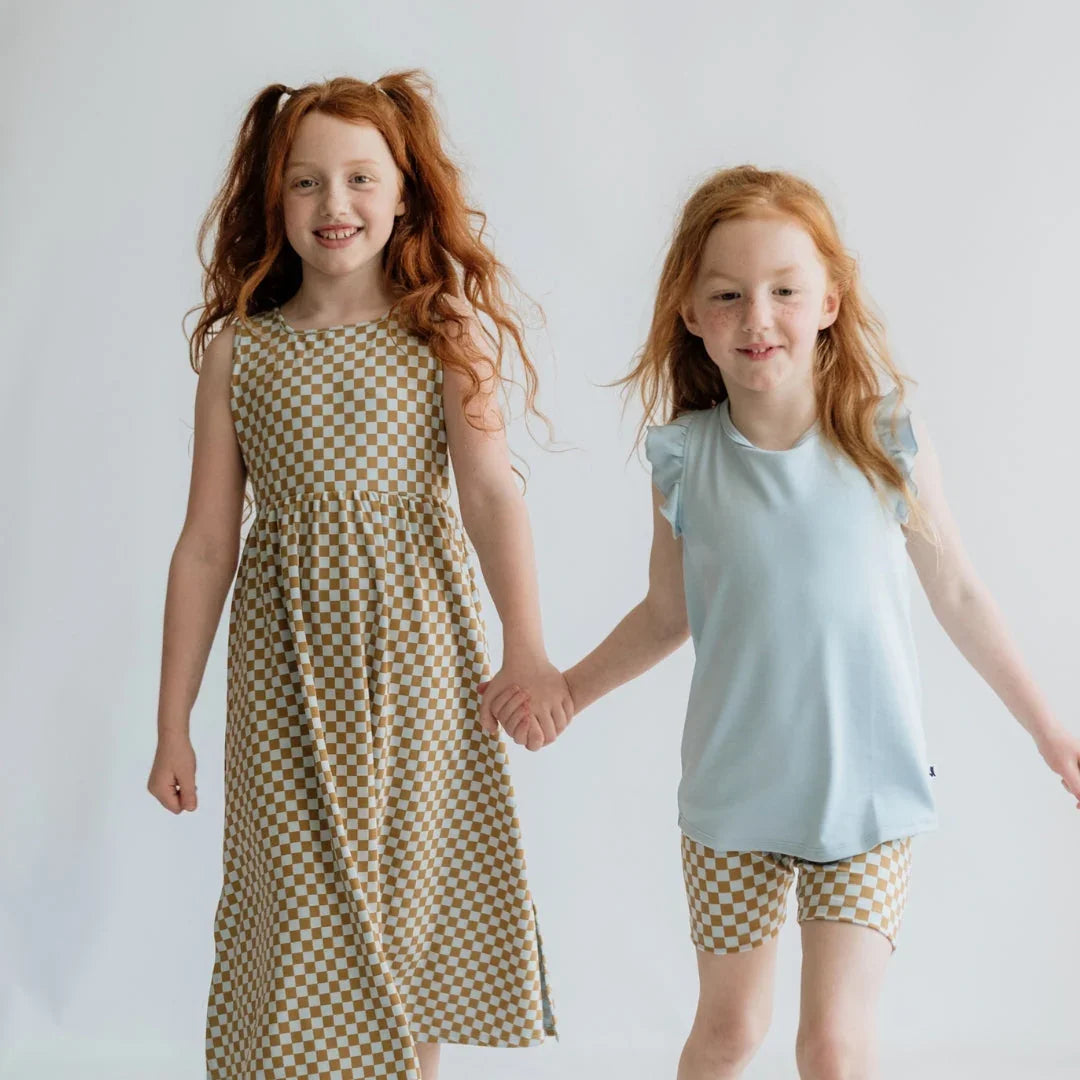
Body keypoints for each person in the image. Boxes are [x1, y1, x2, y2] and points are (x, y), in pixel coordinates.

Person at [481, 165, 1080, 1079]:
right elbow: (665, 612)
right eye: (727, 295)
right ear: (691, 314)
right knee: (727, 1035)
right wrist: (568, 689)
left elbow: (956, 592)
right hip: (733, 800)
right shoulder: (685, 459)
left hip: (869, 794)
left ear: (830, 301)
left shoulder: (886, 441)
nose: (758, 318)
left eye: (785, 292)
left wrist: (1050, 732)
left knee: (834, 1047)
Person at [146, 70, 571, 1080]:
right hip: (283, 677)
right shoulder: (239, 354)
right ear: (273, 199)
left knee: (409, 901)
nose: (334, 207)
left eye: (359, 180)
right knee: (295, 915)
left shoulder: (442, 337)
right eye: (306, 183)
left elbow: (492, 498)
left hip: (420, 665)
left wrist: (527, 645)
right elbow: (207, 541)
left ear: (404, 194)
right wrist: (174, 721)